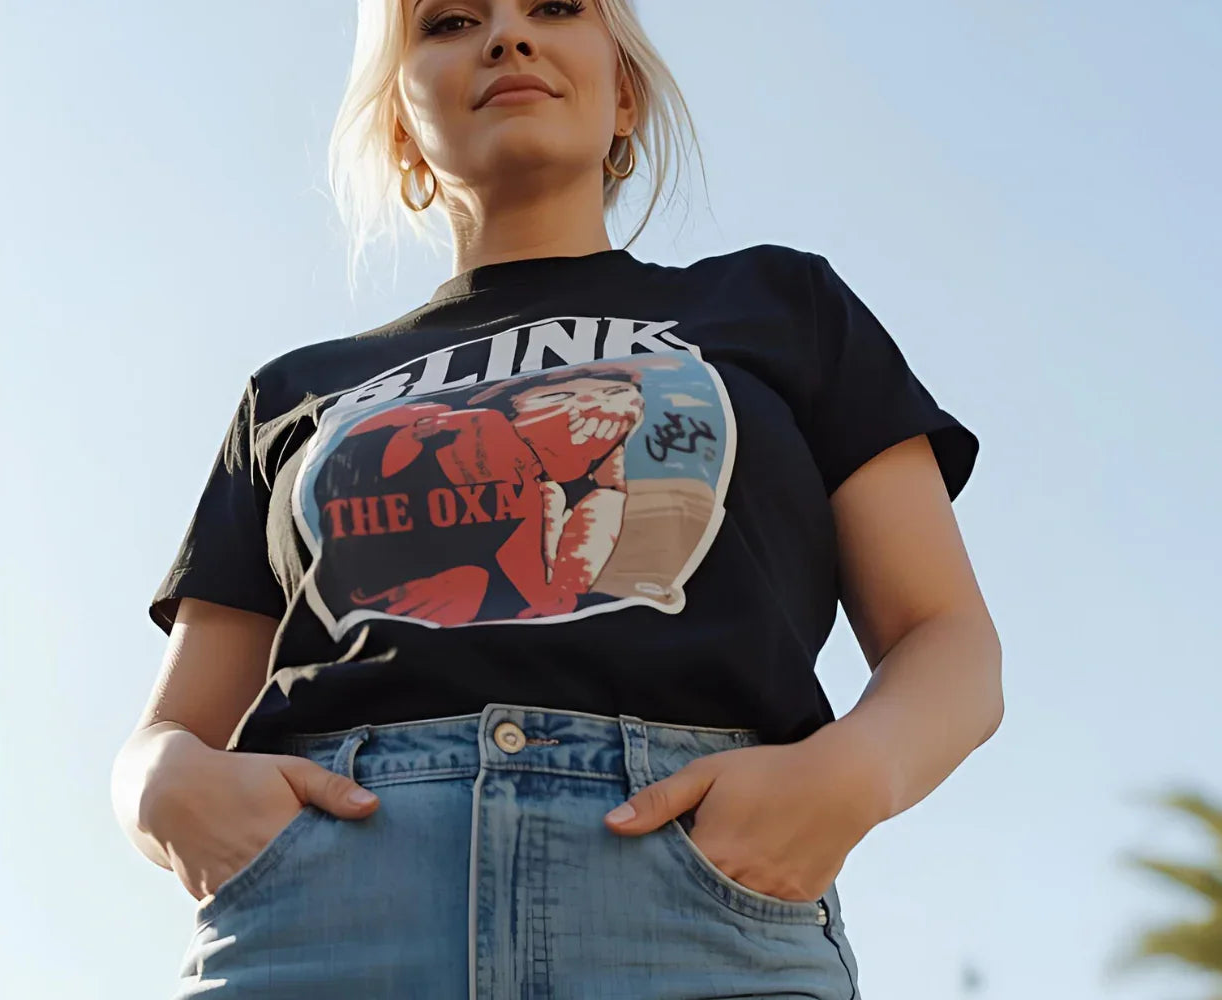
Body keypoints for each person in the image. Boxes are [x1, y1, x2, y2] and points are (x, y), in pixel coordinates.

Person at [110, 1, 1004, 996]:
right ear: (401, 125)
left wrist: (850, 778)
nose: (506, 36)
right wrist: (155, 790)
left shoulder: (782, 307)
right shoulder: (289, 392)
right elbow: (173, 727)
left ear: (623, 91)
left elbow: (946, 638)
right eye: (449, 21)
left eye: (554, 8)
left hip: (692, 898)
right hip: (330, 908)